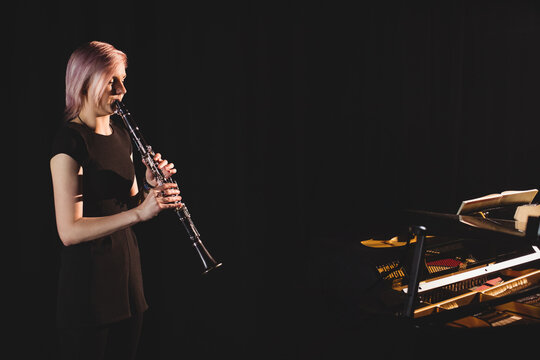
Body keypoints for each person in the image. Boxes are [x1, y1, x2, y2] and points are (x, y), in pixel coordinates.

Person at [50, 40, 181, 360]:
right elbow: (69, 231)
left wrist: (152, 188)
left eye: (123, 79)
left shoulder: (122, 133)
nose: (122, 89)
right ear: (83, 82)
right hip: (90, 293)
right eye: (112, 80)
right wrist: (140, 214)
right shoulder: (69, 141)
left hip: (128, 284)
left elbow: (131, 204)